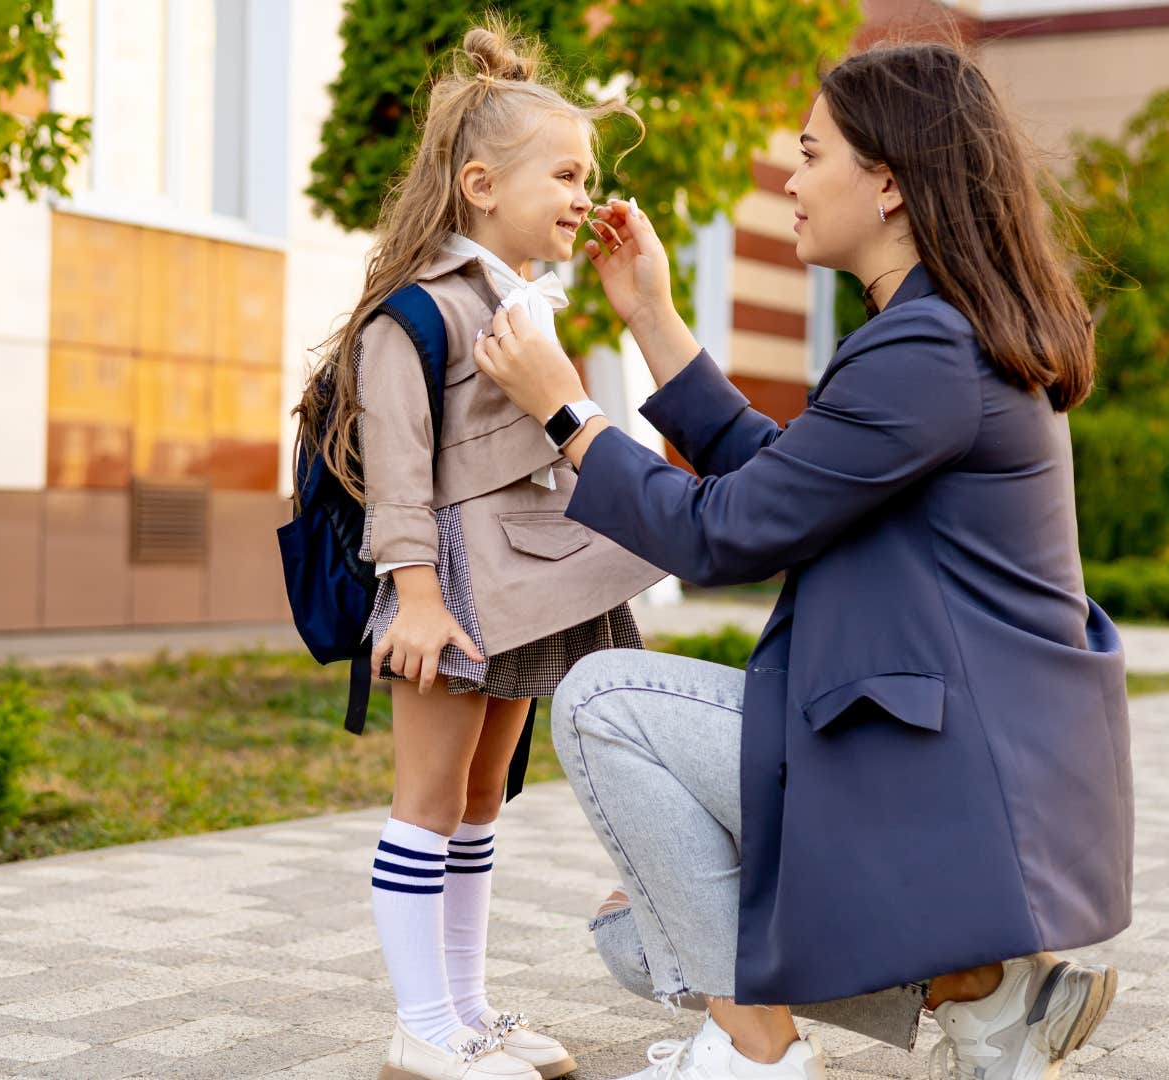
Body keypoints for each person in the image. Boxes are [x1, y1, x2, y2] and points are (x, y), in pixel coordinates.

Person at [470, 41, 1131, 1080]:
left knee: (603, 703)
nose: (790, 177)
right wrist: (651, 316)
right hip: (959, 765)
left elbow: (722, 533)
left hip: (943, 775)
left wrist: (565, 410)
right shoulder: (937, 338)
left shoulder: (928, 353)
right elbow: (784, 488)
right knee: (642, 929)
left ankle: (757, 1050)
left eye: (813, 153)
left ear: (890, 184)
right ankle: (983, 993)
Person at [291, 20, 665, 1080]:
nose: (582, 192)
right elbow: (402, 476)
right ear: (479, 184)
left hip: (526, 584)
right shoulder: (412, 318)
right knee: (428, 800)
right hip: (450, 586)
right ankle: (422, 1028)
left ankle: (467, 1010)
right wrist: (414, 597)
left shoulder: (519, 304)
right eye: (565, 172)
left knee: (482, 798)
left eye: (587, 174)